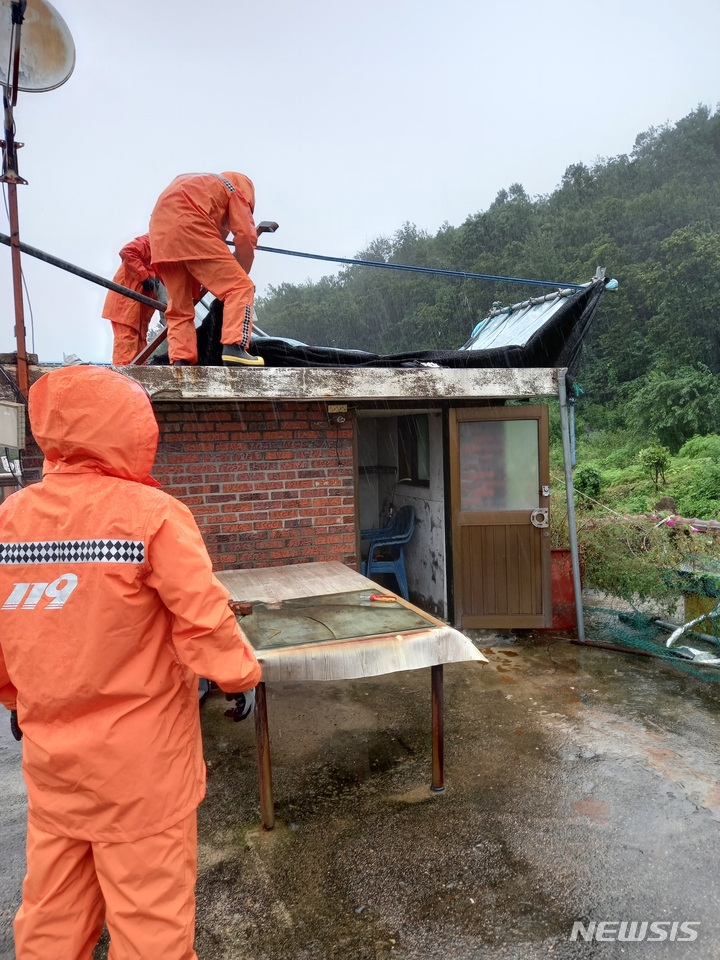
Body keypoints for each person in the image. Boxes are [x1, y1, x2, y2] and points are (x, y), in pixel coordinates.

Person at [0, 365, 261, 959]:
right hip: (143, 771)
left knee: (51, 914)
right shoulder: (155, 515)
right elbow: (203, 619)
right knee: (150, 925)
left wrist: (14, 697)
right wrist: (238, 677)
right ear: (132, 429)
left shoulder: (10, 521)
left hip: (53, 764)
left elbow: (5, 630)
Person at [149, 172, 264, 367]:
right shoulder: (235, 190)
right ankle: (235, 348)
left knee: (179, 306)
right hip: (191, 227)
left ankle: (181, 360)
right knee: (240, 287)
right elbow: (246, 235)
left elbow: (216, 236)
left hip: (161, 238)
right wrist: (241, 269)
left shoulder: (202, 186)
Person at [102, 233, 159, 365]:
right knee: (126, 357)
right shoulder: (153, 240)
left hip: (138, 313)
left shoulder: (166, 246)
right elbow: (127, 251)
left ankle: (134, 384)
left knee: (140, 359)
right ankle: (125, 384)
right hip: (125, 306)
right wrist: (144, 278)